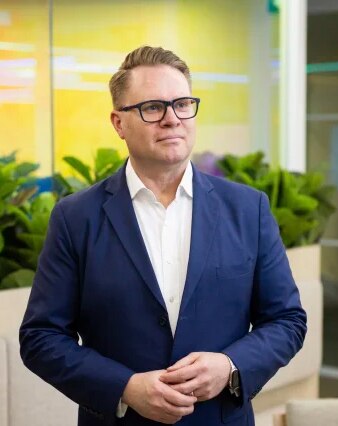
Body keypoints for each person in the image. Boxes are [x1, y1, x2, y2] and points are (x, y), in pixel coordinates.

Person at [20, 46, 307, 426]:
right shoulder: (76, 218)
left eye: (182, 104)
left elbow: (287, 320)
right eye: (152, 107)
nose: (172, 119)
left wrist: (230, 365)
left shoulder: (247, 209)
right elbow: (41, 337)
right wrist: (125, 386)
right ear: (118, 123)